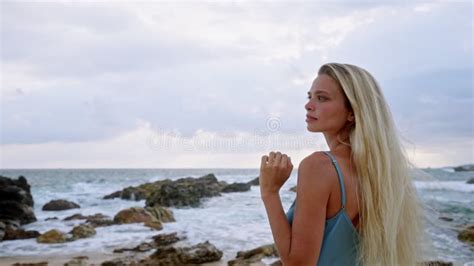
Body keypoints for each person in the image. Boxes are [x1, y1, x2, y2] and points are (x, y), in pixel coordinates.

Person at [259, 63, 426, 265]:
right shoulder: (380, 174)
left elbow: (298, 264)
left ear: (352, 112)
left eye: (322, 98)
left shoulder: (319, 166)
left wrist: (270, 192)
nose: (309, 105)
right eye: (309, 96)